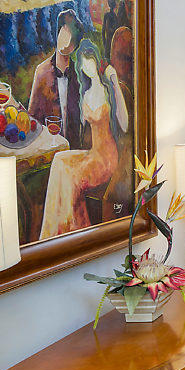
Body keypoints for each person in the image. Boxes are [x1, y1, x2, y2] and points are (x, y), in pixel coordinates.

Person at [39, 39, 130, 237]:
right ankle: (53, 231)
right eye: (83, 62)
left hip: (106, 158)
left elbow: (124, 124)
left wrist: (114, 81)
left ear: (97, 60)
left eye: (89, 60)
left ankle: (74, 231)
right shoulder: (86, 94)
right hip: (93, 153)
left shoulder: (108, 90)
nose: (86, 66)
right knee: (59, 160)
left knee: (72, 176)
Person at [28, 10, 86, 150]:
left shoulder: (79, 74)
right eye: (64, 33)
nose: (66, 43)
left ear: (75, 46)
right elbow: (33, 116)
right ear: (58, 33)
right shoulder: (42, 72)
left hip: (73, 148)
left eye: (71, 39)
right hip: (47, 147)